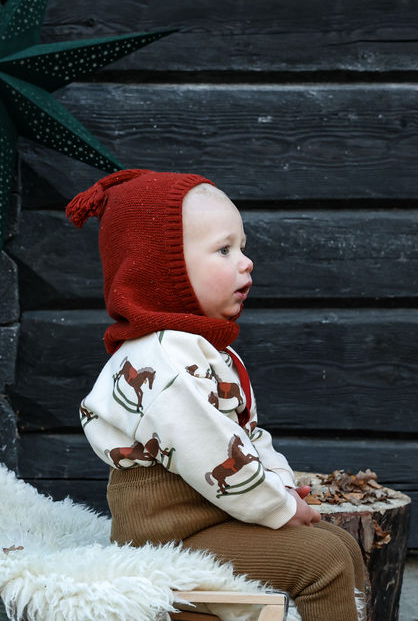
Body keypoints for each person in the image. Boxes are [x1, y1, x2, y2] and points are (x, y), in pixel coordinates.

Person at [66, 169, 365, 620]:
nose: (245, 262)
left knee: (339, 542)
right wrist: (280, 508)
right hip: (167, 535)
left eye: (242, 248)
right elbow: (209, 446)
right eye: (224, 250)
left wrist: (283, 487)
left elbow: (247, 434)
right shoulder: (161, 356)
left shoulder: (207, 351)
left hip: (213, 517)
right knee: (323, 562)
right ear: (161, 269)